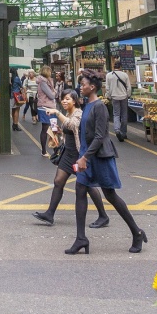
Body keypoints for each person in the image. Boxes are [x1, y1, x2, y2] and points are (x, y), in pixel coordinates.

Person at [66, 71, 147, 255]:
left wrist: (85, 157)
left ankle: (136, 232)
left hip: (99, 157)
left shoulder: (100, 106)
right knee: (80, 191)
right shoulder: (87, 105)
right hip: (87, 156)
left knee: (110, 195)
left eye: (83, 84)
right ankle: (81, 238)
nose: (80, 87)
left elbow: (100, 135)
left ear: (92, 87)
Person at [33, 88, 109, 228]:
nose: (64, 101)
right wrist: (56, 133)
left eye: (67, 98)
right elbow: (69, 131)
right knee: (58, 181)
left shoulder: (78, 113)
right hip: (67, 153)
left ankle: (103, 216)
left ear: (74, 101)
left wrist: (57, 112)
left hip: (79, 155)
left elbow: (73, 124)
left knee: (88, 186)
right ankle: (49, 214)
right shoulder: (68, 113)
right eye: (63, 99)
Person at [105, 66, 131, 142]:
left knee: (116, 114)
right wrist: (128, 95)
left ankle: (117, 130)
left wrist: (108, 96)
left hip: (114, 97)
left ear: (114, 67)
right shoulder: (125, 75)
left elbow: (107, 87)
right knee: (124, 115)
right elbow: (128, 87)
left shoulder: (109, 75)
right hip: (123, 96)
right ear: (120, 67)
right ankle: (123, 132)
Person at [36, 67, 57, 156]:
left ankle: (53, 149)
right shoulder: (43, 83)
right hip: (46, 107)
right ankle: (45, 150)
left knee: (52, 128)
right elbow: (51, 96)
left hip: (46, 107)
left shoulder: (45, 81)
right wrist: (55, 92)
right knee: (48, 128)